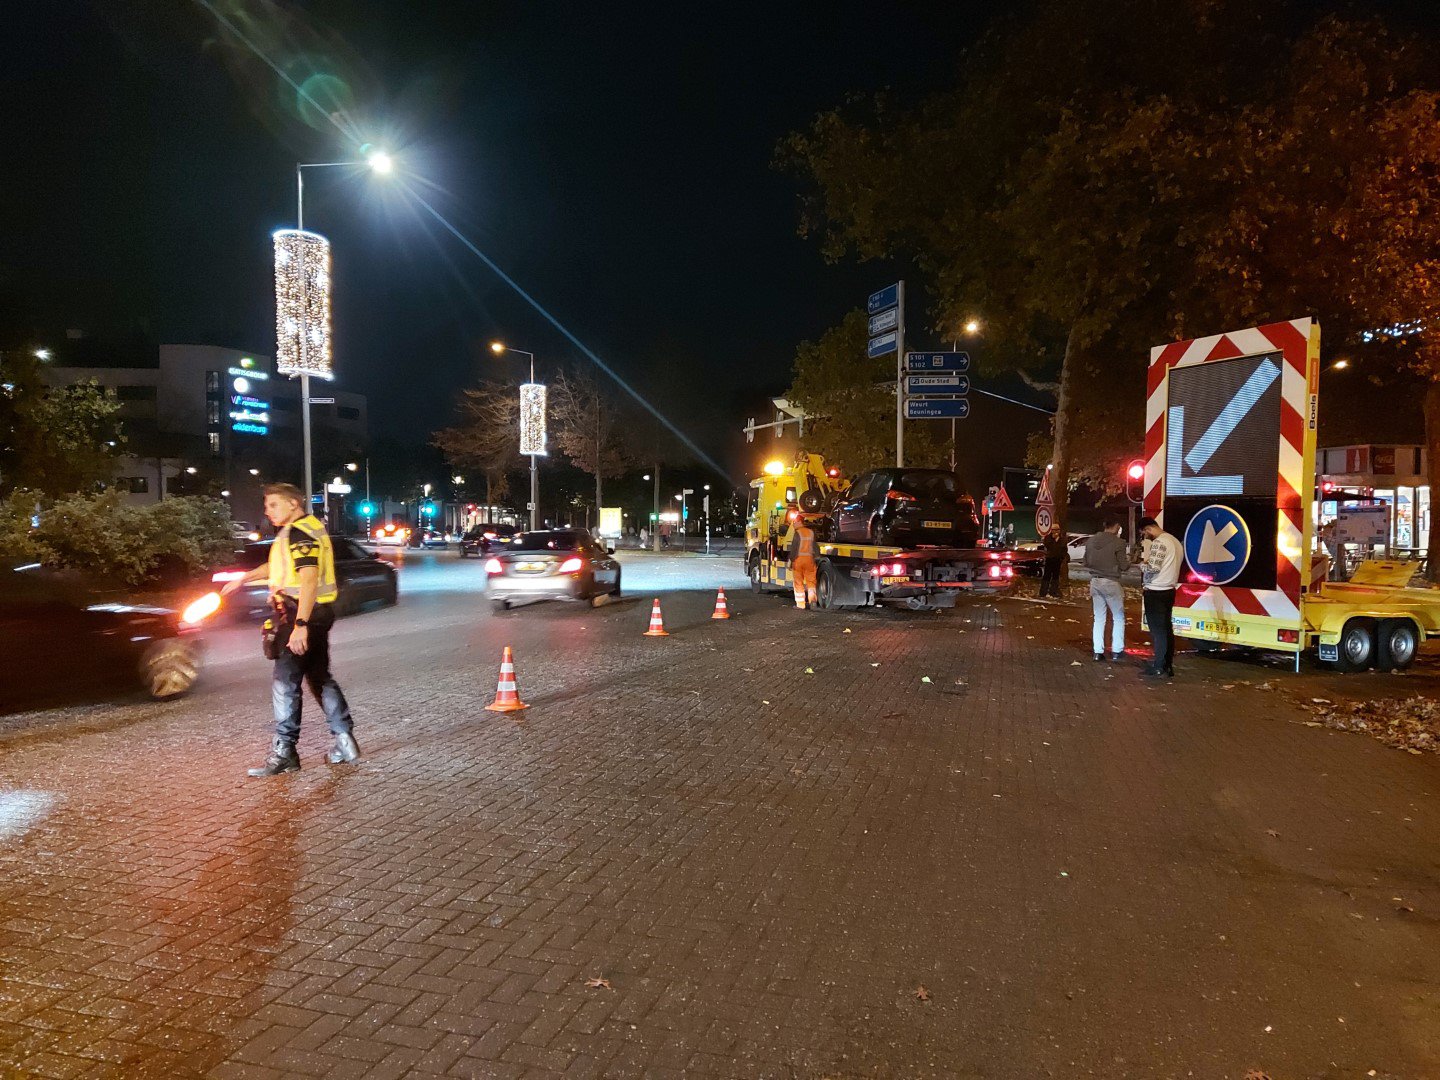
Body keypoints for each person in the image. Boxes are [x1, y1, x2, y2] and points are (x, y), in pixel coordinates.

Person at [222, 483, 358, 776]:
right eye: (266, 506)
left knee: (285, 684)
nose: (267, 511)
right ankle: (344, 740)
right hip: (317, 614)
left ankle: (285, 752)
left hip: (299, 615)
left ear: (294, 504)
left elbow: (308, 578)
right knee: (319, 676)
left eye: (273, 505)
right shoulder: (306, 528)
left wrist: (300, 626)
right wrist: (244, 578)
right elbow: (280, 568)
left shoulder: (298, 532)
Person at [1138, 516, 1182, 678]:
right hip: (1169, 590)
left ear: (1148, 528)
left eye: (1144, 533)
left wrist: (1142, 565)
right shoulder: (1175, 542)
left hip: (1156, 591)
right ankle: (1167, 665)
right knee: (1166, 629)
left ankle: (1158, 666)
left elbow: (1153, 568)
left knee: (1158, 631)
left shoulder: (1159, 542)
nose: (1146, 536)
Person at [1083, 517, 1128, 661]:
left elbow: (1085, 562)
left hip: (1095, 581)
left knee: (1099, 618)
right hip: (1111, 582)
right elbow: (1124, 565)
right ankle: (1117, 651)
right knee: (1118, 617)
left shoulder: (1091, 541)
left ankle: (1097, 652)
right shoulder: (1119, 542)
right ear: (1116, 526)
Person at [788, 510, 819, 610]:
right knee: (811, 582)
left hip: (798, 560)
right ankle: (813, 601)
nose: (793, 524)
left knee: (798, 582)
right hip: (809, 560)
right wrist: (817, 558)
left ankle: (801, 604)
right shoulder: (810, 532)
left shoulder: (798, 533)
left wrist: (791, 560)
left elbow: (794, 548)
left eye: (794, 522)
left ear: (798, 522)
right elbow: (815, 547)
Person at [1039, 525, 1067, 598]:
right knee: (1047, 575)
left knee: (1055, 576)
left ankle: (1053, 591)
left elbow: (1064, 549)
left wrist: (1062, 557)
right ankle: (1043, 592)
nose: (1056, 531)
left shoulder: (1062, 539)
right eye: (1054, 530)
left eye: (1057, 530)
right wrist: (1054, 540)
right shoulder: (1048, 538)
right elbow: (1048, 546)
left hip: (1057, 559)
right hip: (1050, 559)